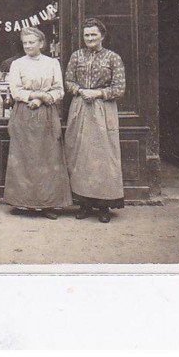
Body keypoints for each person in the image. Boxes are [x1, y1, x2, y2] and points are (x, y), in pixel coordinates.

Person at [3, 27, 72, 219]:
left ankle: (48, 204)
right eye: (25, 42)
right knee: (23, 157)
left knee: (48, 158)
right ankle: (23, 203)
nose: (27, 46)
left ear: (41, 43)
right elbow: (16, 91)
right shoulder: (17, 64)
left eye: (31, 42)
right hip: (24, 113)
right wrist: (36, 95)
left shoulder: (52, 63)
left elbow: (59, 90)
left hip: (47, 114)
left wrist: (42, 99)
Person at [64, 18, 126, 223]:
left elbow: (119, 88)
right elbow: (68, 81)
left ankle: (103, 206)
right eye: (86, 35)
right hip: (80, 107)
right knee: (80, 154)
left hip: (102, 109)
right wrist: (81, 90)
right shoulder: (76, 56)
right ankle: (84, 204)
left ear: (102, 35)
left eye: (93, 34)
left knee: (103, 156)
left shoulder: (113, 58)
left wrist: (98, 92)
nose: (89, 38)